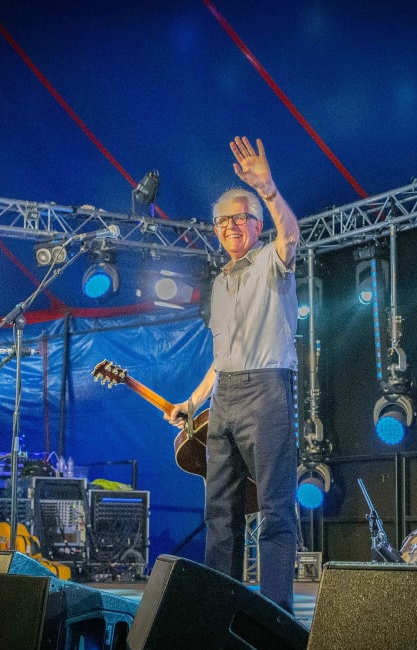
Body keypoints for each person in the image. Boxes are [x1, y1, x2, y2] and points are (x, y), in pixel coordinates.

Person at [165, 136, 301, 613]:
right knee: (220, 513)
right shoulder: (220, 282)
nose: (230, 227)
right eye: (223, 222)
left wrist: (267, 188)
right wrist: (194, 400)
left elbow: (291, 235)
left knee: (275, 509)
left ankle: (275, 615)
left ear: (256, 225)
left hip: (266, 391)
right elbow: (221, 355)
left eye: (239, 219)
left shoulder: (271, 259)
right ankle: (217, 614)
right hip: (225, 397)